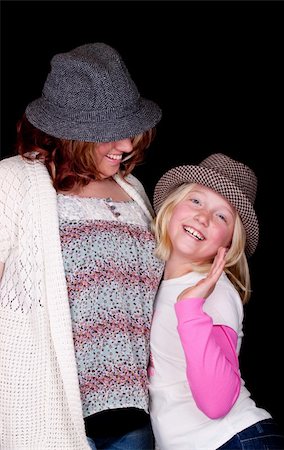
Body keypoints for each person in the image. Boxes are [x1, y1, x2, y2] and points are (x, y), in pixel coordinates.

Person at [0, 42, 165, 450]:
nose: (126, 145)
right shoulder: (15, 182)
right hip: (48, 411)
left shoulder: (135, 191)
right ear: (72, 132)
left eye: (130, 129)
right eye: (110, 133)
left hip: (134, 415)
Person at [148, 153, 284, 449]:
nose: (203, 217)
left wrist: (189, 308)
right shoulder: (156, 280)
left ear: (228, 242)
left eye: (222, 216)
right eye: (196, 201)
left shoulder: (214, 293)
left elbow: (217, 403)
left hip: (232, 440)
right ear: (173, 206)